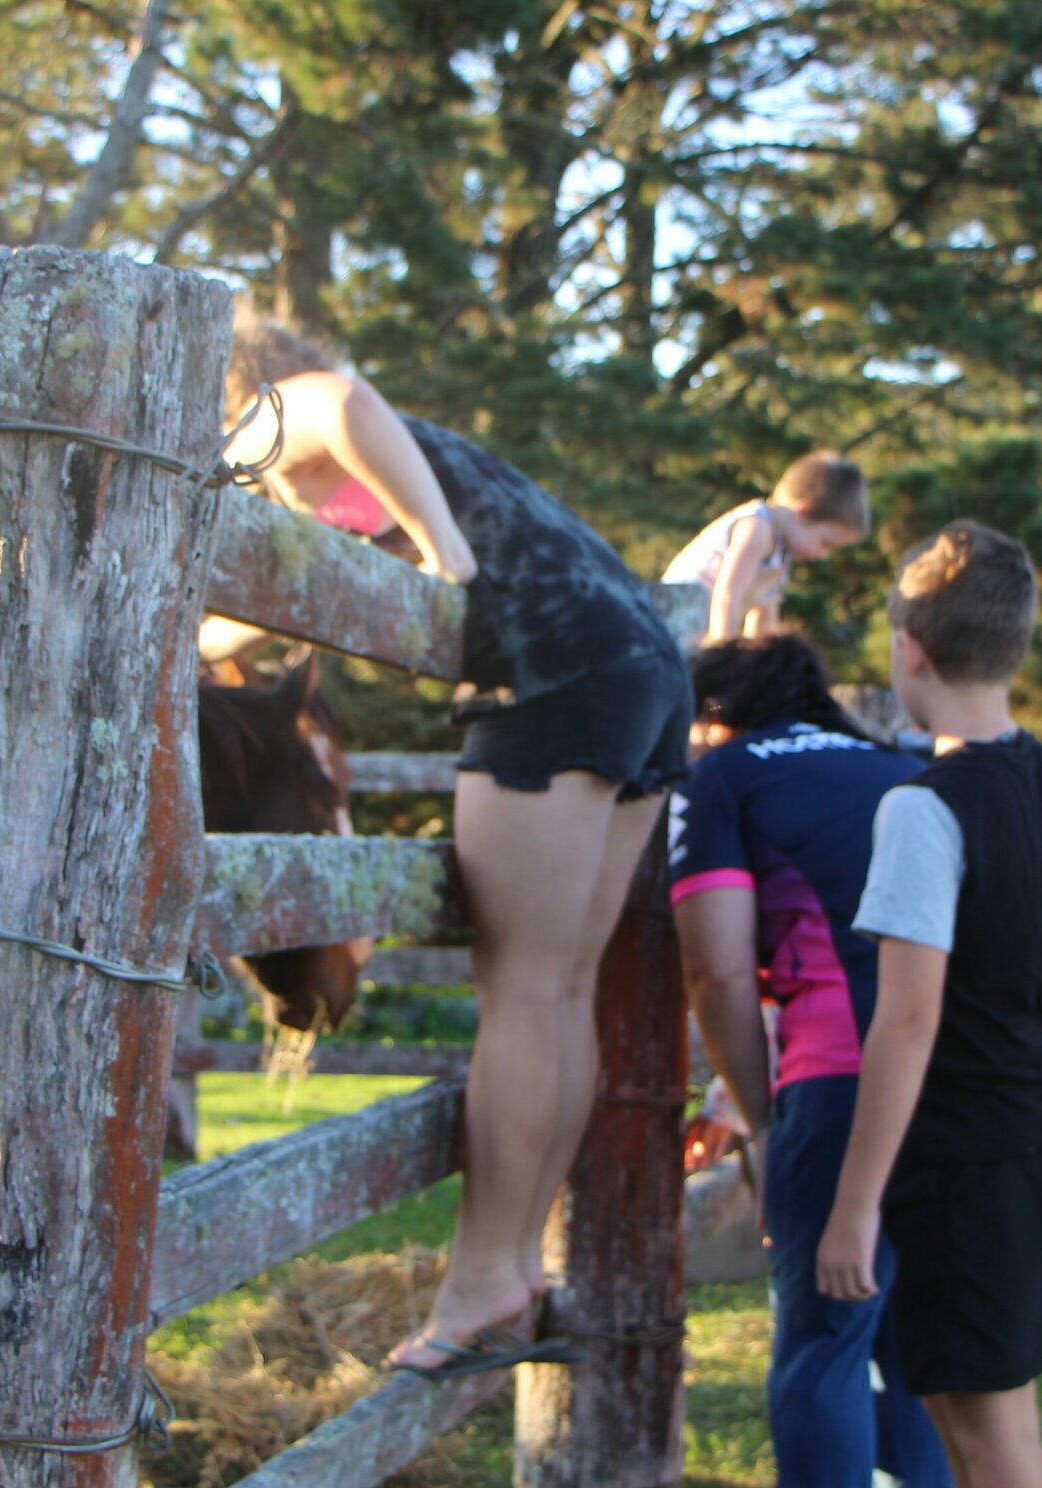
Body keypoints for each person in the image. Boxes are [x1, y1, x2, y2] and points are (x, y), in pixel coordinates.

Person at [208, 306, 692, 1376]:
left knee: (522, 991)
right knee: (559, 989)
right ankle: (515, 1266)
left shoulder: (282, 413)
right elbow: (286, 594)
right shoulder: (400, 467)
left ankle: (480, 1282)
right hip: (640, 663)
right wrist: (197, 638)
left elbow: (332, 397)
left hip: (551, 668)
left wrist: (439, 551)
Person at [815, 521, 1042, 1488]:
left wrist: (853, 1204)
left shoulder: (919, 808)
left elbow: (909, 1018)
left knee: (990, 1433)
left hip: (971, 1157)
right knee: (985, 1419)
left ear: (908, 651)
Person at [673, 635, 961, 1488]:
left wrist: (761, 1118)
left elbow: (713, 968)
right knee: (905, 1334)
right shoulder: (900, 767)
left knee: (820, 1344)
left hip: (836, 1076)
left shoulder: (722, 775)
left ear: (715, 715)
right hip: (946, 1078)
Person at [663, 454, 870, 643]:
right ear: (803, 512)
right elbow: (727, 596)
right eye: (826, 543)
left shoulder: (781, 553)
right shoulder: (757, 528)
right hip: (677, 614)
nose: (824, 555)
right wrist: (723, 654)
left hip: (701, 623)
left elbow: (764, 611)